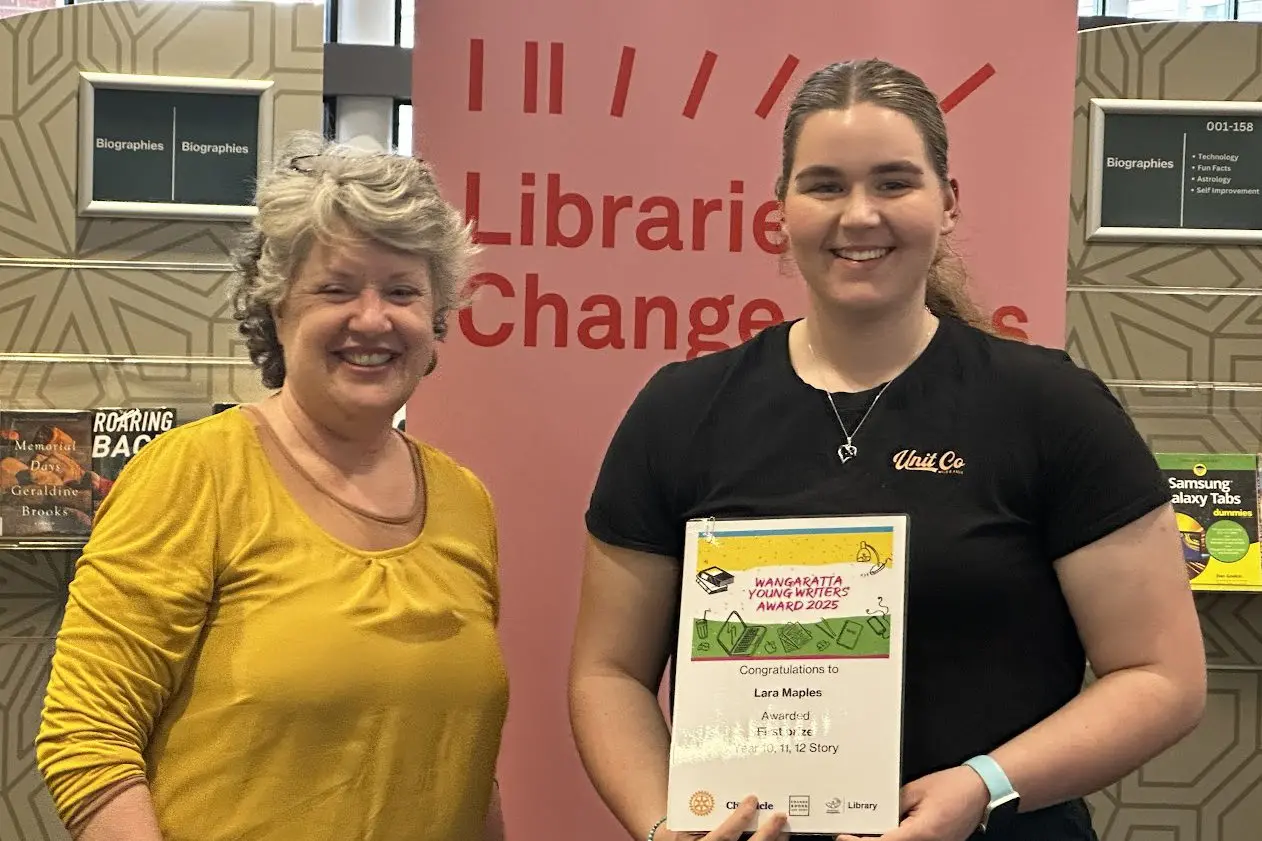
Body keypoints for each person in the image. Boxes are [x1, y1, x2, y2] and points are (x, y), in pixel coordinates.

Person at [567, 58, 1207, 841]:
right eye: (826, 185)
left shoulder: (1050, 406)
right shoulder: (680, 411)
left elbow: (1162, 676)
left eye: (895, 182)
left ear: (948, 203)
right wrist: (665, 828)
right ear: (781, 209)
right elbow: (610, 674)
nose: (859, 215)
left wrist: (984, 786)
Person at [36, 132, 509, 841]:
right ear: (277, 309)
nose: (373, 318)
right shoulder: (195, 474)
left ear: (435, 316)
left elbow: (461, 767)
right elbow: (86, 736)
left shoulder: (464, 500)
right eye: (337, 288)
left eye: (403, 291)